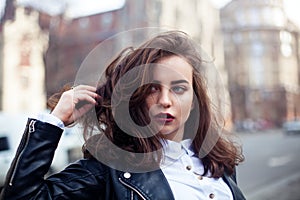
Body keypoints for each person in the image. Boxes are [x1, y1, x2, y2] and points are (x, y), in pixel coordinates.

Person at [0, 31, 245, 200]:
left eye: (179, 89)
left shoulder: (216, 161)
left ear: (194, 102)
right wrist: (54, 122)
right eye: (151, 88)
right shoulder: (109, 171)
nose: (166, 101)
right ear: (135, 98)